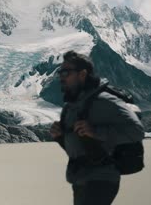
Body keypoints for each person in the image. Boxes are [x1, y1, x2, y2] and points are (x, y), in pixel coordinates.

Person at [50, 50, 145, 205]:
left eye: (66, 72)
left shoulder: (105, 101)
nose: (61, 77)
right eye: (60, 72)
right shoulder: (71, 107)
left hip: (101, 178)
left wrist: (97, 132)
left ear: (82, 74)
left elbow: (137, 131)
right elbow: (77, 149)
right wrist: (60, 137)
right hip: (80, 179)